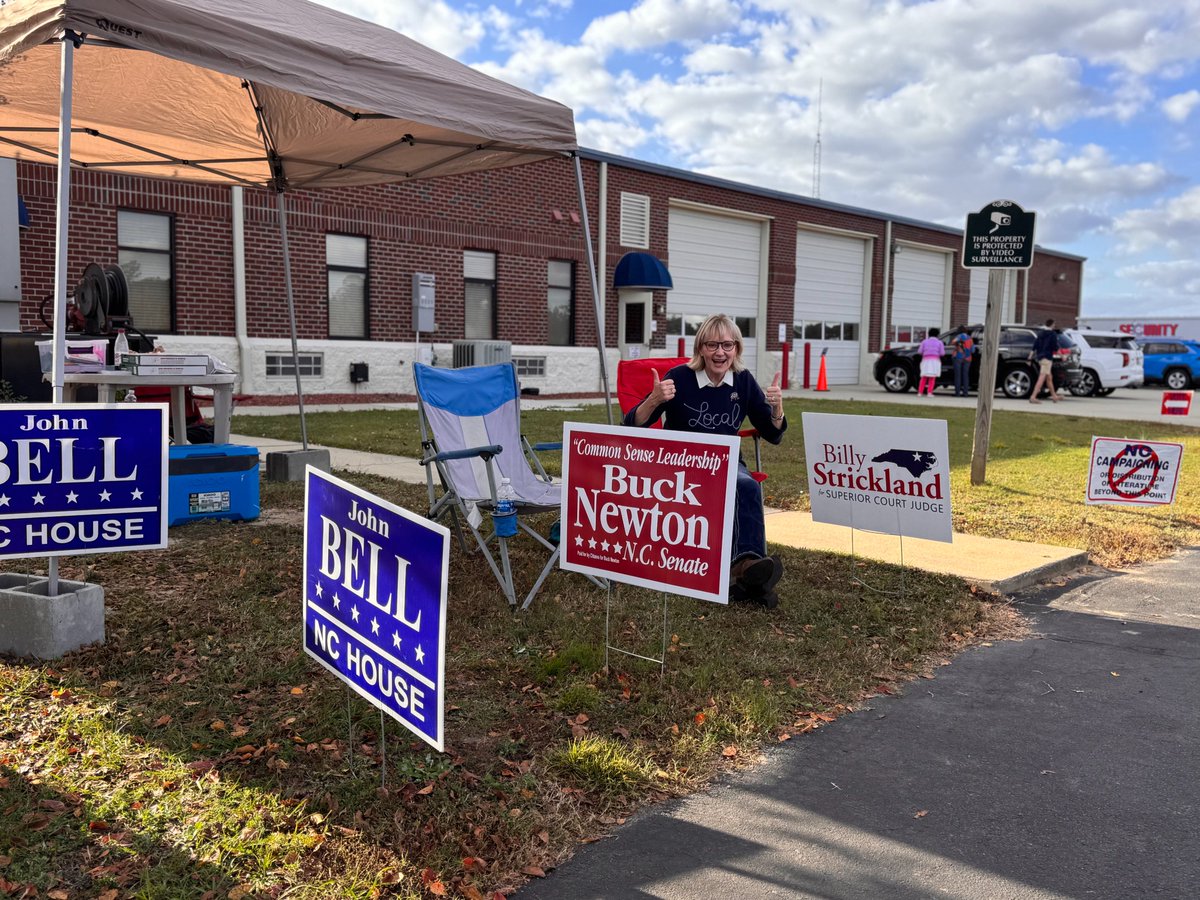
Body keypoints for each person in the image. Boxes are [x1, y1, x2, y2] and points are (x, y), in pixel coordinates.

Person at [624, 314, 786, 608]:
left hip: (724, 462)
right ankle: (750, 574)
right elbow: (631, 427)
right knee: (741, 485)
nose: (720, 352)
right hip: (682, 463)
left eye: (727, 345)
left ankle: (748, 565)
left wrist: (776, 411)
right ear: (700, 348)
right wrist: (653, 400)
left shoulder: (743, 381)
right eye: (712, 345)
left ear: (736, 349)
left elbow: (773, 435)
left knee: (747, 486)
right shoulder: (679, 378)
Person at [1029, 318, 1062, 404]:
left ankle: (1054, 396)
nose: (1055, 326)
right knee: (1042, 377)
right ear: (1052, 325)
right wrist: (1062, 356)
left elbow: (1035, 345)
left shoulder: (1040, 333)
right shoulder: (1052, 334)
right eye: (1054, 324)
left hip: (1040, 357)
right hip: (1047, 358)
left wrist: (1030, 356)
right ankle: (1033, 397)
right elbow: (1055, 347)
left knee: (1049, 377)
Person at [916, 327, 945, 396]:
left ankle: (920, 392)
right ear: (937, 335)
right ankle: (929, 392)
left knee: (924, 377)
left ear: (929, 334)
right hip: (935, 361)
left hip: (925, 360)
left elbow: (919, 352)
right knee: (932, 378)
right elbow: (942, 353)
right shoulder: (939, 342)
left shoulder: (924, 342)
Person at [951, 326, 974, 397]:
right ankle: (965, 393)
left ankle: (957, 393)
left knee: (958, 375)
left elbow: (953, 342)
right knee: (965, 376)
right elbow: (973, 350)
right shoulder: (970, 338)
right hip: (968, 358)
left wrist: (959, 345)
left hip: (958, 357)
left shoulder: (959, 336)